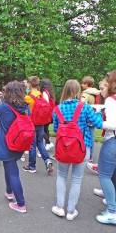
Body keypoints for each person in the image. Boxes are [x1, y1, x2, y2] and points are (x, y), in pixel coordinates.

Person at [51, 79, 102, 221]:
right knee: (76, 179)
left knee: (61, 176)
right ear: (78, 91)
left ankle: (60, 207)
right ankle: (71, 211)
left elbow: (55, 129)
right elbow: (98, 123)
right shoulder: (84, 107)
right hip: (81, 147)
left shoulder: (57, 109)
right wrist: (96, 113)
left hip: (63, 148)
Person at [0, 81, 28, 213]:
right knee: (9, 167)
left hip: (7, 144)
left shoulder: (5, 108)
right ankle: (9, 192)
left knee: (13, 172)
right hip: (19, 142)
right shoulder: (25, 106)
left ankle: (21, 204)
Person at [96, 70, 116, 225]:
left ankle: (112, 212)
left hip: (113, 140)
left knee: (104, 174)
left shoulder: (111, 100)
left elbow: (112, 124)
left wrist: (96, 121)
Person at [23, 76, 53, 174]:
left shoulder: (28, 97)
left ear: (29, 84)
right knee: (40, 143)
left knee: (32, 144)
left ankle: (32, 166)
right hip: (40, 122)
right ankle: (47, 160)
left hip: (31, 123)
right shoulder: (41, 95)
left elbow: (24, 111)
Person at [40, 79, 55, 151]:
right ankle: (47, 144)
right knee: (45, 129)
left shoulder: (44, 93)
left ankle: (48, 143)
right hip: (50, 114)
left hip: (46, 114)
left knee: (41, 129)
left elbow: (45, 104)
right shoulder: (50, 92)